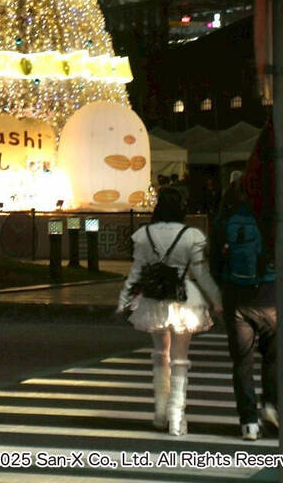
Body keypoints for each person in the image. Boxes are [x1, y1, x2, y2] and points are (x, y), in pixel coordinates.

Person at [116, 186, 221, 436]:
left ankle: (160, 413)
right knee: (180, 358)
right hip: (184, 298)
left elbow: (136, 272)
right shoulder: (191, 235)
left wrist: (123, 300)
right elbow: (201, 272)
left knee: (159, 354)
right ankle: (176, 417)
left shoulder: (144, 234)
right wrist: (217, 299)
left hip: (153, 300)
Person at [210, 174, 277, 440]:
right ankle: (271, 405)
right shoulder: (270, 220)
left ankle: (248, 422)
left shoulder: (223, 221)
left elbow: (215, 264)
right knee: (272, 358)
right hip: (269, 296)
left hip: (236, 299)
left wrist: (226, 287)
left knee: (242, 362)